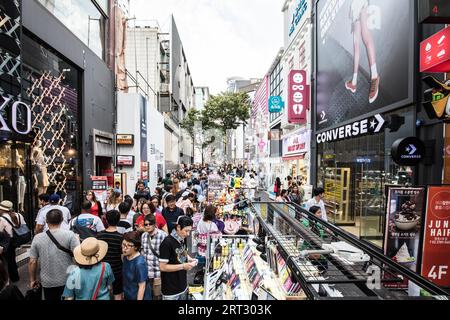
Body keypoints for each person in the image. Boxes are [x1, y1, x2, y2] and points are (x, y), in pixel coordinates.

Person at [29, 209, 80, 300]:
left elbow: (32, 261)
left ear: (46, 221)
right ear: (62, 219)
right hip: (67, 279)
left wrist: (32, 279)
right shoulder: (70, 235)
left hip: (47, 280)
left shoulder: (37, 238)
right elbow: (78, 256)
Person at [345, 0, 380, 103]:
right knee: (356, 45)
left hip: (360, 5)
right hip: (355, 9)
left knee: (366, 37)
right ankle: (354, 81)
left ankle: (374, 76)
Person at [159, 216, 197, 300]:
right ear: (178, 227)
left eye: (189, 231)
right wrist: (183, 266)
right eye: (186, 231)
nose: (188, 234)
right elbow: (162, 267)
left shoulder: (181, 239)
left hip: (182, 285)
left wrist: (189, 258)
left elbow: (181, 252)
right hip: (171, 290)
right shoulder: (167, 243)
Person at [96, 210, 124, 300]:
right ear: (118, 220)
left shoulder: (99, 235)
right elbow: (122, 256)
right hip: (117, 269)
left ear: (106, 220)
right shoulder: (121, 237)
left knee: (102, 294)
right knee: (118, 294)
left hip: (102, 269)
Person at [141, 214, 167, 300]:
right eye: (146, 224)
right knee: (148, 295)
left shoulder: (162, 235)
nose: (148, 226)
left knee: (157, 295)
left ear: (154, 224)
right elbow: (142, 252)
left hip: (158, 272)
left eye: (150, 224)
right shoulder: (144, 235)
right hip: (146, 272)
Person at [0, 200, 26, 283]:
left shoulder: (2, 218)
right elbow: (23, 225)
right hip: (16, 240)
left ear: (2, 209)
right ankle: (15, 277)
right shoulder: (18, 215)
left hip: (6, 242)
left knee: (5, 261)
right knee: (12, 259)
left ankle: (7, 279)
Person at [122, 231, 148, 300]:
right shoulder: (125, 257)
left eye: (129, 246)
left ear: (136, 247)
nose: (124, 248)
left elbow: (142, 286)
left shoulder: (139, 264)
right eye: (123, 244)